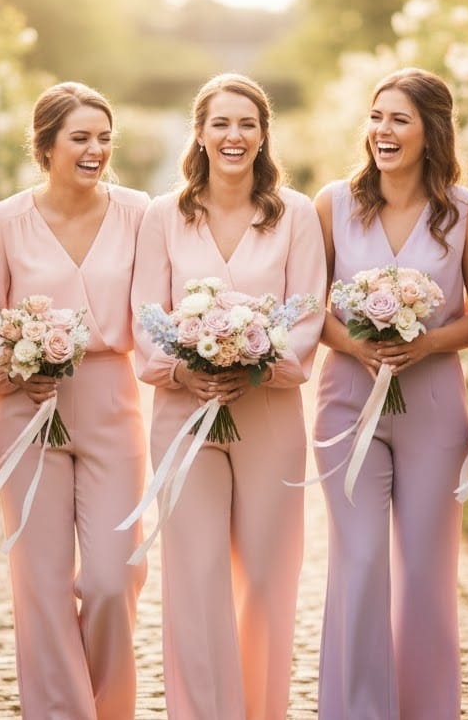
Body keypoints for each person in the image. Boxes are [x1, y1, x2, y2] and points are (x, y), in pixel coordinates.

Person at [130, 73, 326, 720]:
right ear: (201, 132)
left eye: (247, 123)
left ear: (264, 134)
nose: (234, 135)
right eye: (221, 123)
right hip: (185, 416)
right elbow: (144, 315)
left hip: (268, 412)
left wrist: (258, 367)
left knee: (269, 579)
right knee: (195, 580)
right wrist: (184, 371)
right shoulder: (164, 214)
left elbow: (308, 316)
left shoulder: (294, 212)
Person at [311, 68, 468, 719]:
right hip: (346, 403)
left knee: (424, 573)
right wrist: (355, 344)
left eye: (399, 119)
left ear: (430, 131)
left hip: (435, 408)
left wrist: (431, 342)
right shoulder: (332, 202)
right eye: (376, 116)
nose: (382, 131)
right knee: (358, 563)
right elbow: (309, 307)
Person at [0, 82, 149, 720]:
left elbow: (153, 310)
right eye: (81, 137)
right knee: (40, 584)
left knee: (111, 577)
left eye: (104, 137)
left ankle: (110, 708)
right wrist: (14, 367)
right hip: (28, 407)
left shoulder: (138, 212)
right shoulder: (5, 220)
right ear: (46, 146)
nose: (96, 148)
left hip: (109, 400)